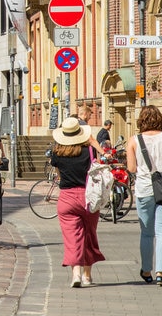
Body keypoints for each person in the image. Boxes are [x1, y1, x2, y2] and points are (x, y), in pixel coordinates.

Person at [126, 105, 162, 287]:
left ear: (141, 120)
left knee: (147, 233)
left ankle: (146, 270)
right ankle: (161, 272)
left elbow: (131, 168)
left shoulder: (134, 140)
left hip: (144, 189)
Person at [51, 116, 105, 287]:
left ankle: (75, 274)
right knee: (89, 234)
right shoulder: (88, 151)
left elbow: (59, 175)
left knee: (72, 237)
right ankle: (87, 276)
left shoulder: (57, 152)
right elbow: (98, 166)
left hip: (66, 199)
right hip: (88, 197)